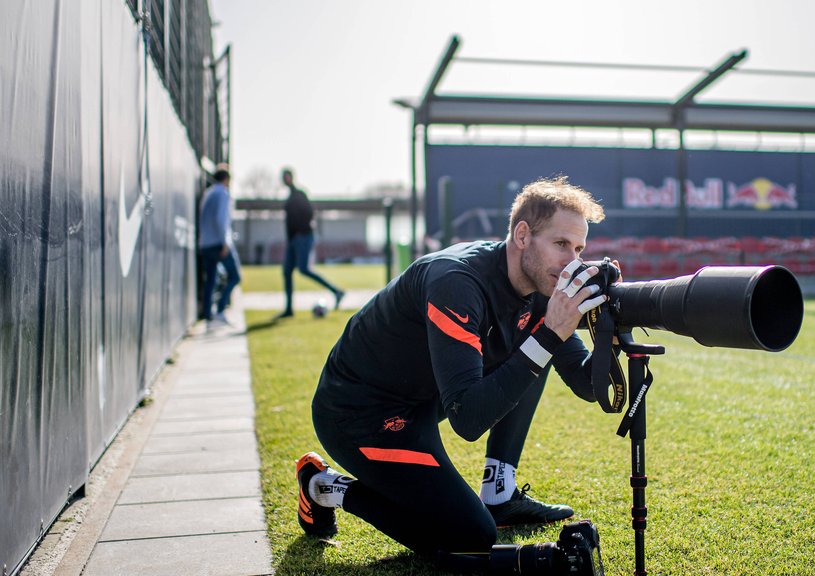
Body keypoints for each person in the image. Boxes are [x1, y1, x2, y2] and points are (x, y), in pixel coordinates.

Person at [295, 176, 612, 573]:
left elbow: (588, 384)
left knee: (536, 345)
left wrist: (610, 331)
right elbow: (468, 419)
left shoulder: (541, 284)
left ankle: (499, 492)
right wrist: (549, 335)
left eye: (579, 249)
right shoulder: (456, 281)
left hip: (422, 400)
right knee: (469, 535)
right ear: (522, 235)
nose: (572, 262)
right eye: (561, 244)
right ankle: (323, 486)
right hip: (359, 414)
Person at [277, 168, 343, 318]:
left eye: (287, 177)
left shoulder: (300, 194)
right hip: (292, 240)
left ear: (291, 177)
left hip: (303, 237)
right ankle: (289, 309)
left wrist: (301, 231)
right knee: (287, 271)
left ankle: (337, 291)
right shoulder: (289, 197)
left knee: (304, 269)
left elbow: (309, 213)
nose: (285, 180)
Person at [198, 164, 241, 328]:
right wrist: (225, 243)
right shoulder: (222, 193)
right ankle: (221, 310)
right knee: (235, 276)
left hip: (205, 243)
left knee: (210, 279)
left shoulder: (208, 193)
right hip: (218, 243)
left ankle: (208, 314)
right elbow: (221, 219)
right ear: (226, 179)